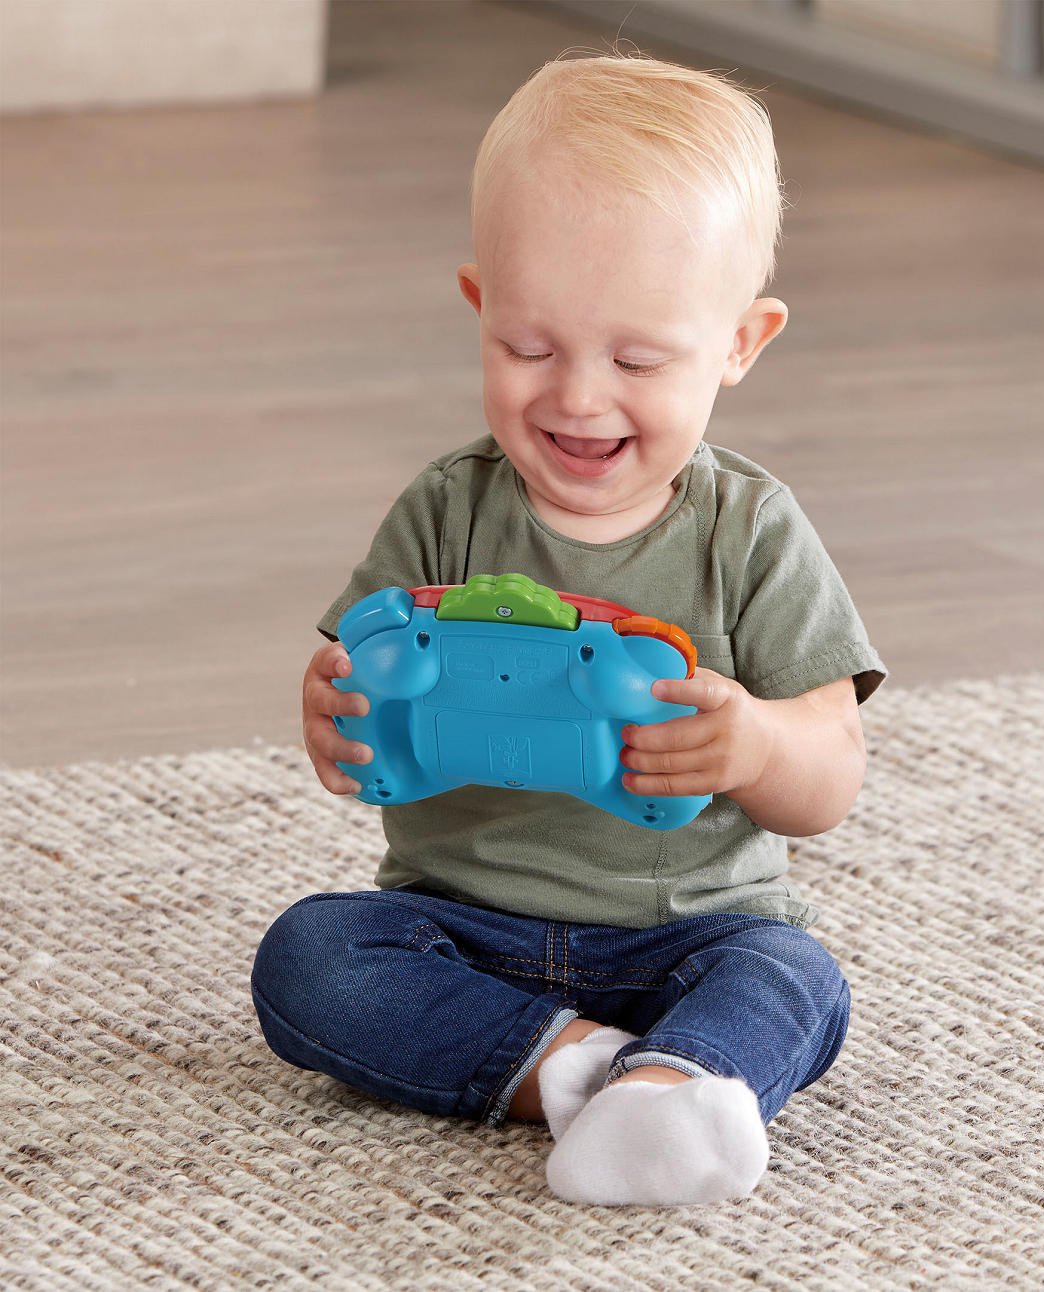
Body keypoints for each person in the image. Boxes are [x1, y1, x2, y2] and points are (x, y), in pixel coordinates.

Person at [251, 51, 886, 1207]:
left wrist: (753, 743)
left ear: (741, 342)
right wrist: (331, 712)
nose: (579, 396)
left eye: (637, 358)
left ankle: (673, 1068)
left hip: (690, 931)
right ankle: (590, 1072)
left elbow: (830, 776)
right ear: (479, 306)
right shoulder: (447, 508)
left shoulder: (750, 532)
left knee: (795, 977)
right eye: (529, 347)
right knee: (308, 959)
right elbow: (360, 692)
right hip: (458, 925)